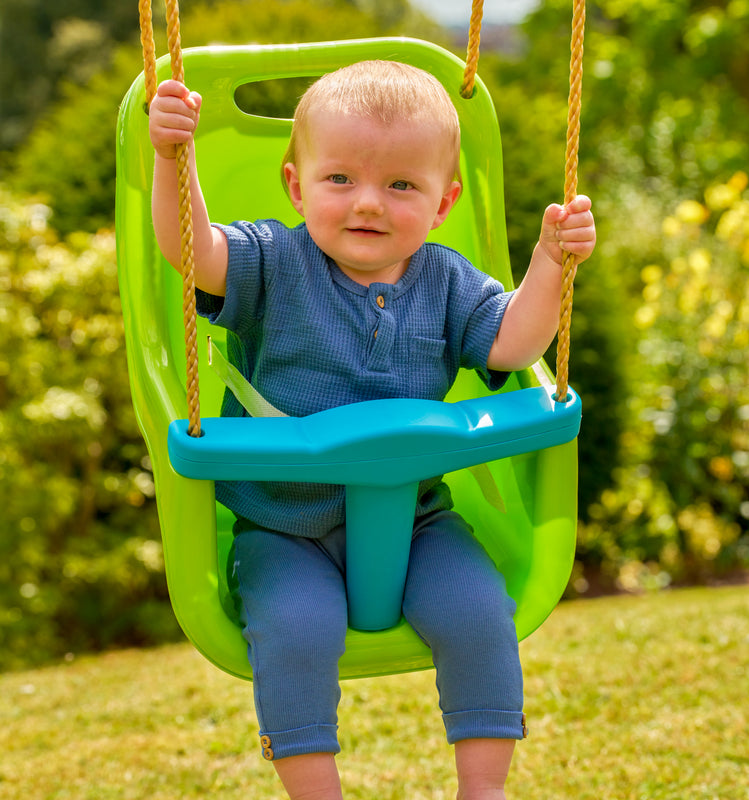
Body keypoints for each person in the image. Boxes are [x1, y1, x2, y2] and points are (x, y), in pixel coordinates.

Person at [149, 60, 595, 800]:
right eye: (339, 181)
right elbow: (191, 247)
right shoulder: (273, 263)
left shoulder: (449, 282)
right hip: (284, 526)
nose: (368, 204)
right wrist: (175, 161)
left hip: (417, 519)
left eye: (400, 186)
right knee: (297, 631)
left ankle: (485, 788)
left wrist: (550, 265)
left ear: (442, 202)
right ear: (297, 187)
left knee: (481, 612)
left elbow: (513, 347)